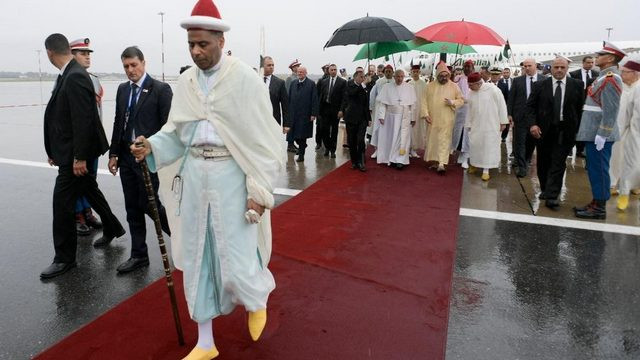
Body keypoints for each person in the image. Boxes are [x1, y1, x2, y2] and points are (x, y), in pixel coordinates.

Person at [130, 0, 285, 357]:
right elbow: (175, 132)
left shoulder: (244, 79)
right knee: (198, 257)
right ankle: (205, 342)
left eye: (203, 44)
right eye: (191, 45)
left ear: (220, 41)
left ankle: (255, 300)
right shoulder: (185, 82)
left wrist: (258, 192)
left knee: (239, 252)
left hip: (234, 176)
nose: (196, 51)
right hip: (195, 178)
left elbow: (264, 142)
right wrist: (151, 146)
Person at [40, 33, 125, 279]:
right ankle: (113, 226)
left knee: (62, 205)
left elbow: (83, 120)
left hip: (75, 156)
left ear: (49, 53)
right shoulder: (71, 73)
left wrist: (79, 157)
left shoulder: (75, 76)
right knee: (90, 191)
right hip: (69, 152)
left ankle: (65, 259)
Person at [105, 47, 173, 273]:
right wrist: (113, 153)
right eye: (126, 66)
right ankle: (139, 255)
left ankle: (184, 240)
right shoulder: (123, 90)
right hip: (126, 157)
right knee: (132, 207)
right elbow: (118, 122)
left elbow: (168, 128)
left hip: (148, 157)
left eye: (134, 65)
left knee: (151, 205)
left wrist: (154, 148)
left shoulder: (160, 90)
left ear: (144, 63)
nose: (130, 70)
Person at [574, 42, 626, 219]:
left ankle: (599, 207)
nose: (597, 57)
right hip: (593, 131)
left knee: (600, 170)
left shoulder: (611, 78)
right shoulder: (603, 77)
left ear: (610, 58)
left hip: (599, 134)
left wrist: (603, 133)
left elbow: (611, 110)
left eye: (601, 55)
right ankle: (596, 201)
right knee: (595, 169)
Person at [527, 57, 584, 208]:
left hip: (565, 131)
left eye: (562, 67)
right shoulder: (540, 85)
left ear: (567, 69)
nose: (559, 70)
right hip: (543, 130)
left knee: (558, 163)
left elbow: (580, 109)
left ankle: (553, 196)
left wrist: (577, 130)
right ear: (551, 68)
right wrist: (533, 125)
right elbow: (530, 107)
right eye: (556, 67)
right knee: (544, 162)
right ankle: (545, 188)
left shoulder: (577, 85)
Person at [69, 37, 104, 235]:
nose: (87, 57)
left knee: (91, 178)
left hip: (93, 139)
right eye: (82, 53)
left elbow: (97, 113)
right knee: (78, 179)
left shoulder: (94, 79)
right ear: (72, 56)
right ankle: (78, 214)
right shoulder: (67, 78)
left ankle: (88, 211)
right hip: (78, 141)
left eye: (88, 53)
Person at [422, 62, 464, 174]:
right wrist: (425, 114)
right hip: (433, 119)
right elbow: (423, 101)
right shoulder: (429, 86)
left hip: (447, 119)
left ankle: (442, 163)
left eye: (446, 76)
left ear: (449, 75)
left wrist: (452, 102)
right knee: (434, 140)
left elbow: (461, 100)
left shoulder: (454, 86)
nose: (444, 78)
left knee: (444, 140)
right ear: (437, 75)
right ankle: (436, 161)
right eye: (441, 76)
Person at [465, 72, 509, 181]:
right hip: (476, 125)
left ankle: (486, 170)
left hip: (491, 124)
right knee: (475, 145)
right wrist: (468, 123)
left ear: (479, 83)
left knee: (488, 147)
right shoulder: (471, 92)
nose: (469, 87)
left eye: (471, 85)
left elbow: (502, 105)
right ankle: (474, 164)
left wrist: (503, 122)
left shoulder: (493, 90)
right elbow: (469, 109)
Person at [508, 58, 547, 177]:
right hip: (520, 117)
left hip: (536, 118)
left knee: (531, 143)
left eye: (529, 65)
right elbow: (511, 99)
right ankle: (522, 167)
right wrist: (509, 114)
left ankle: (526, 159)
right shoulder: (517, 81)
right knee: (519, 142)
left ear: (536, 66)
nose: (527, 68)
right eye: (524, 66)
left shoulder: (544, 80)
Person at [611, 58, 640, 211]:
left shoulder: (637, 88)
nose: (621, 74)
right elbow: (626, 115)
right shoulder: (627, 89)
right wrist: (619, 134)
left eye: (625, 72)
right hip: (634, 134)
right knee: (631, 164)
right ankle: (624, 194)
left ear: (635, 73)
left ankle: (634, 186)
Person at [375, 69, 416, 169]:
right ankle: (391, 158)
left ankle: (400, 160)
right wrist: (381, 116)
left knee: (402, 139)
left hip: (404, 117)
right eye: (398, 76)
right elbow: (383, 104)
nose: (400, 79)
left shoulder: (409, 88)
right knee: (391, 138)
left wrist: (413, 118)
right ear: (394, 77)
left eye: (402, 76)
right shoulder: (387, 87)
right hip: (390, 118)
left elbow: (413, 105)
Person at [570, 56, 600, 158]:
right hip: (577, 104)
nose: (590, 64)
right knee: (576, 126)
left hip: (590, 105)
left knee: (586, 127)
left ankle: (580, 150)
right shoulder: (574, 74)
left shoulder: (597, 74)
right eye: (588, 62)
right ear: (583, 63)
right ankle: (571, 146)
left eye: (592, 62)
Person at [288, 66, 319, 162]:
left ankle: (301, 155)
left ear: (306, 73)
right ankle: (303, 146)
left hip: (305, 114)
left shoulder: (311, 84)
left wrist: (313, 113)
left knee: (302, 135)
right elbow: (289, 98)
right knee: (294, 135)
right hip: (294, 114)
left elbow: (314, 99)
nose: (299, 73)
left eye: (301, 72)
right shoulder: (293, 83)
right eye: (298, 72)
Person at [342, 69, 371, 171]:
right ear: (355, 77)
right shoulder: (349, 85)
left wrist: (369, 118)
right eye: (361, 77)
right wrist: (362, 85)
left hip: (362, 118)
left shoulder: (364, 87)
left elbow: (366, 104)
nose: (363, 79)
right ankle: (354, 161)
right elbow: (352, 94)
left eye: (363, 77)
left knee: (360, 140)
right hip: (351, 118)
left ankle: (362, 162)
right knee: (352, 141)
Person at [317, 64, 346, 158]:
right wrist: (318, 110)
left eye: (335, 69)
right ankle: (327, 147)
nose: (333, 71)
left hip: (335, 110)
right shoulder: (323, 81)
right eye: (332, 70)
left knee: (334, 130)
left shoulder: (342, 82)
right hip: (325, 109)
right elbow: (320, 96)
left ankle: (333, 150)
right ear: (328, 71)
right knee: (324, 129)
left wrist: (341, 110)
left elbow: (344, 98)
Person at [368, 65, 394, 158]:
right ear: (384, 72)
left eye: (390, 71)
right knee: (378, 130)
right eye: (386, 71)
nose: (388, 73)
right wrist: (370, 107)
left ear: (392, 72)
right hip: (379, 108)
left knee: (390, 130)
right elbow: (372, 95)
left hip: (391, 110)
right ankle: (377, 150)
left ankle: (390, 150)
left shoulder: (395, 82)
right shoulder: (379, 82)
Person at [452, 60, 473, 167]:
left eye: (469, 66)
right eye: (465, 66)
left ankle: (466, 155)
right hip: (460, 110)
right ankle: (460, 153)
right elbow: (454, 92)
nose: (467, 68)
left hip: (471, 111)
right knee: (458, 132)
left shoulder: (475, 79)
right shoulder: (458, 78)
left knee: (468, 133)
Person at [262, 56, 289, 129]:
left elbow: (285, 105)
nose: (271, 67)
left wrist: (286, 124)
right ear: (262, 66)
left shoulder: (280, 83)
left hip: (274, 120)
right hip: (259, 120)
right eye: (269, 65)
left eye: (272, 65)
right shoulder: (256, 80)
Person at [408, 64, 427, 157]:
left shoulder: (424, 84)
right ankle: (408, 148)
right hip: (410, 111)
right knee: (410, 130)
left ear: (419, 72)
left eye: (417, 72)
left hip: (420, 110)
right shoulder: (408, 84)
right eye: (413, 72)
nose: (415, 73)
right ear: (411, 73)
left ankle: (414, 149)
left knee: (418, 130)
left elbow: (426, 98)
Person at [285, 59, 300, 153]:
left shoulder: (299, 78)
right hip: (291, 106)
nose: (298, 67)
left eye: (298, 66)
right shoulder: (290, 79)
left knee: (296, 126)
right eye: (296, 66)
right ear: (292, 68)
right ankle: (290, 145)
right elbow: (287, 93)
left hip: (298, 107)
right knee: (291, 126)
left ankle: (293, 143)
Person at [498, 67, 512, 142]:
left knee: (508, 122)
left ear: (510, 73)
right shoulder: (499, 82)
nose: (506, 74)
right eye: (504, 73)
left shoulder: (514, 81)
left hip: (510, 105)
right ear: (502, 73)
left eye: (507, 72)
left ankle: (504, 137)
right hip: (502, 105)